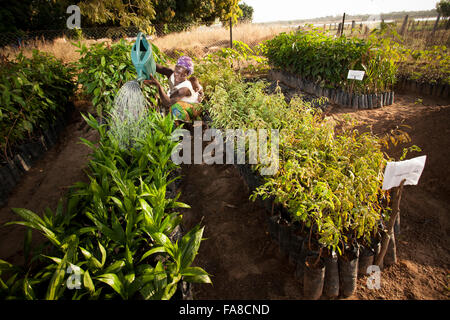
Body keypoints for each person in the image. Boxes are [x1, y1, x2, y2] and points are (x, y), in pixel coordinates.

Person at [144, 56, 204, 123]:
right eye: (177, 72)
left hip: (193, 108)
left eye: (183, 75)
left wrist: (158, 85)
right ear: (175, 68)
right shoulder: (171, 74)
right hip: (181, 105)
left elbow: (168, 103)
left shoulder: (185, 88)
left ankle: (185, 126)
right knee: (172, 108)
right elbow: (158, 67)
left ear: (187, 75)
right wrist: (144, 60)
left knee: (174, 107)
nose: (178, 77)